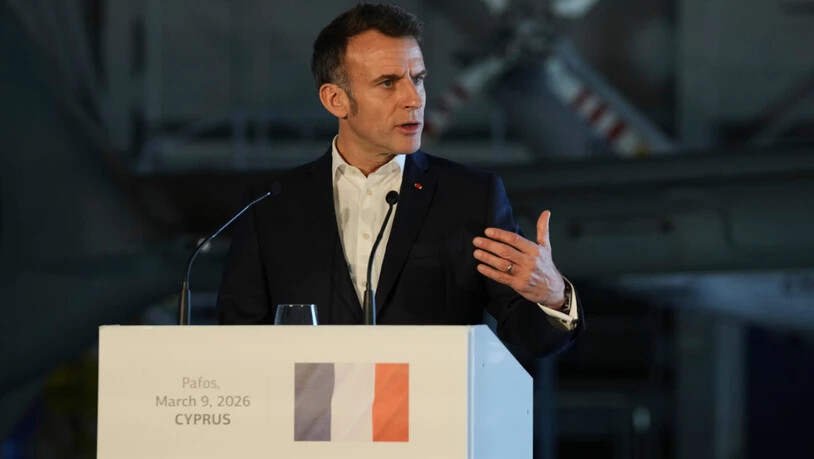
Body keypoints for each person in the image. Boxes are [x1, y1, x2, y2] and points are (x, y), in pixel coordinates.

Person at [217, 3, 582, 357]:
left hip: (431, 414)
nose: (414, 98)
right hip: (312, 416)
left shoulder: (470, 196)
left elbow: (531, 337)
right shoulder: (270, 204)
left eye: (418, 78)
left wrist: (553, 296)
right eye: (388, 82)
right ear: (336, 100)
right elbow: (238, 340)